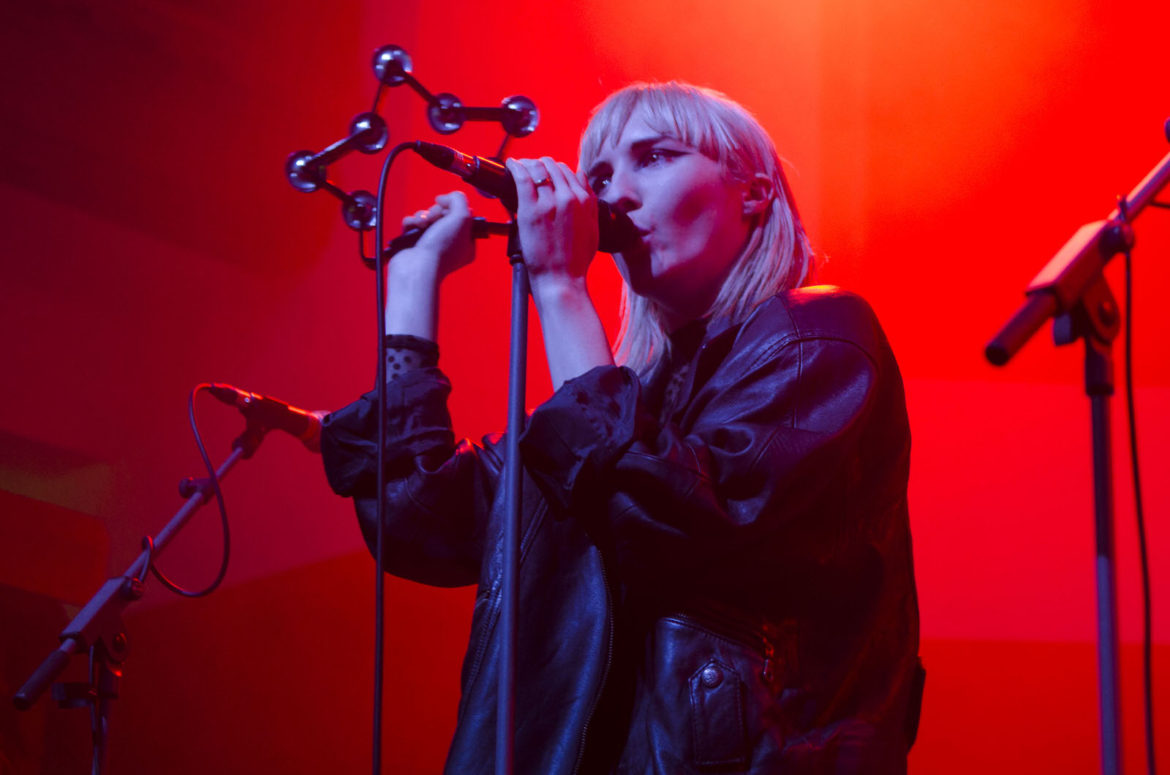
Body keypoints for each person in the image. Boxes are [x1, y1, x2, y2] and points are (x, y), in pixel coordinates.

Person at [320, 81, 923, 774]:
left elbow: (666, 517)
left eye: (655, 157)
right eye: (599, 175)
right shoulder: (624, 400)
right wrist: (411, 283)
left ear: (752, 194)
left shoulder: (820, 336)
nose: (616, 195)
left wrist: (561, 288)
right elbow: (416, 519)